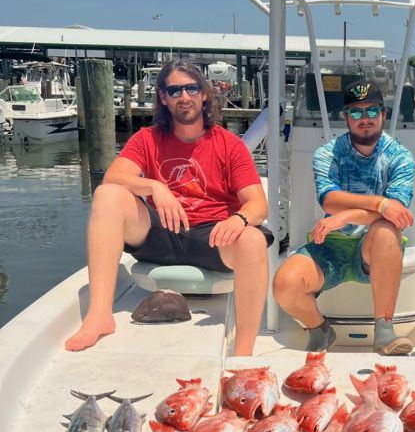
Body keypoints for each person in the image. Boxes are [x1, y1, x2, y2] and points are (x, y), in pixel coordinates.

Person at [65, 60, 270, 356]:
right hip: (160, 233)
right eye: (174, 90)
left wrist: (238, 219)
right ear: (163, 97)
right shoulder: (147, 138)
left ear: (204, 94)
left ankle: (243, 353)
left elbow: (258, 204)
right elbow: (113, 177)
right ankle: (99, 316)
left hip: (211, 237)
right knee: (107, 195)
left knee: (252, 238)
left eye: (191, 88)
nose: (184, 97)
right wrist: (154, 187)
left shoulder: (229, 145)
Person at [273, 81, 415, 355]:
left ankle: (385, 332)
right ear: (346, 117)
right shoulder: (327, 153)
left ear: (383, 114)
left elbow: (397, 213)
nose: (365, 119)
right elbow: (330, 199)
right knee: (284, 284)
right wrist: (380, 203)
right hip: (331, 245)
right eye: (356, 112)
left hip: (374, 249)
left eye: (372, 111)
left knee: (387, 230)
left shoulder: (401, 157)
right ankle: (319, 329)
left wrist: (346, 216)